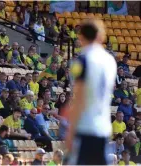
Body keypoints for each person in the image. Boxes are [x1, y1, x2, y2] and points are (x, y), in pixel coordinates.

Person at [66, 19, 117, 165]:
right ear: (101, 36)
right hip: (104, 127)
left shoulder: (82, 61)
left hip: (85, 127)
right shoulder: (110, 60)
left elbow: (79, 98)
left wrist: (70, 131)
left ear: (80, 37)